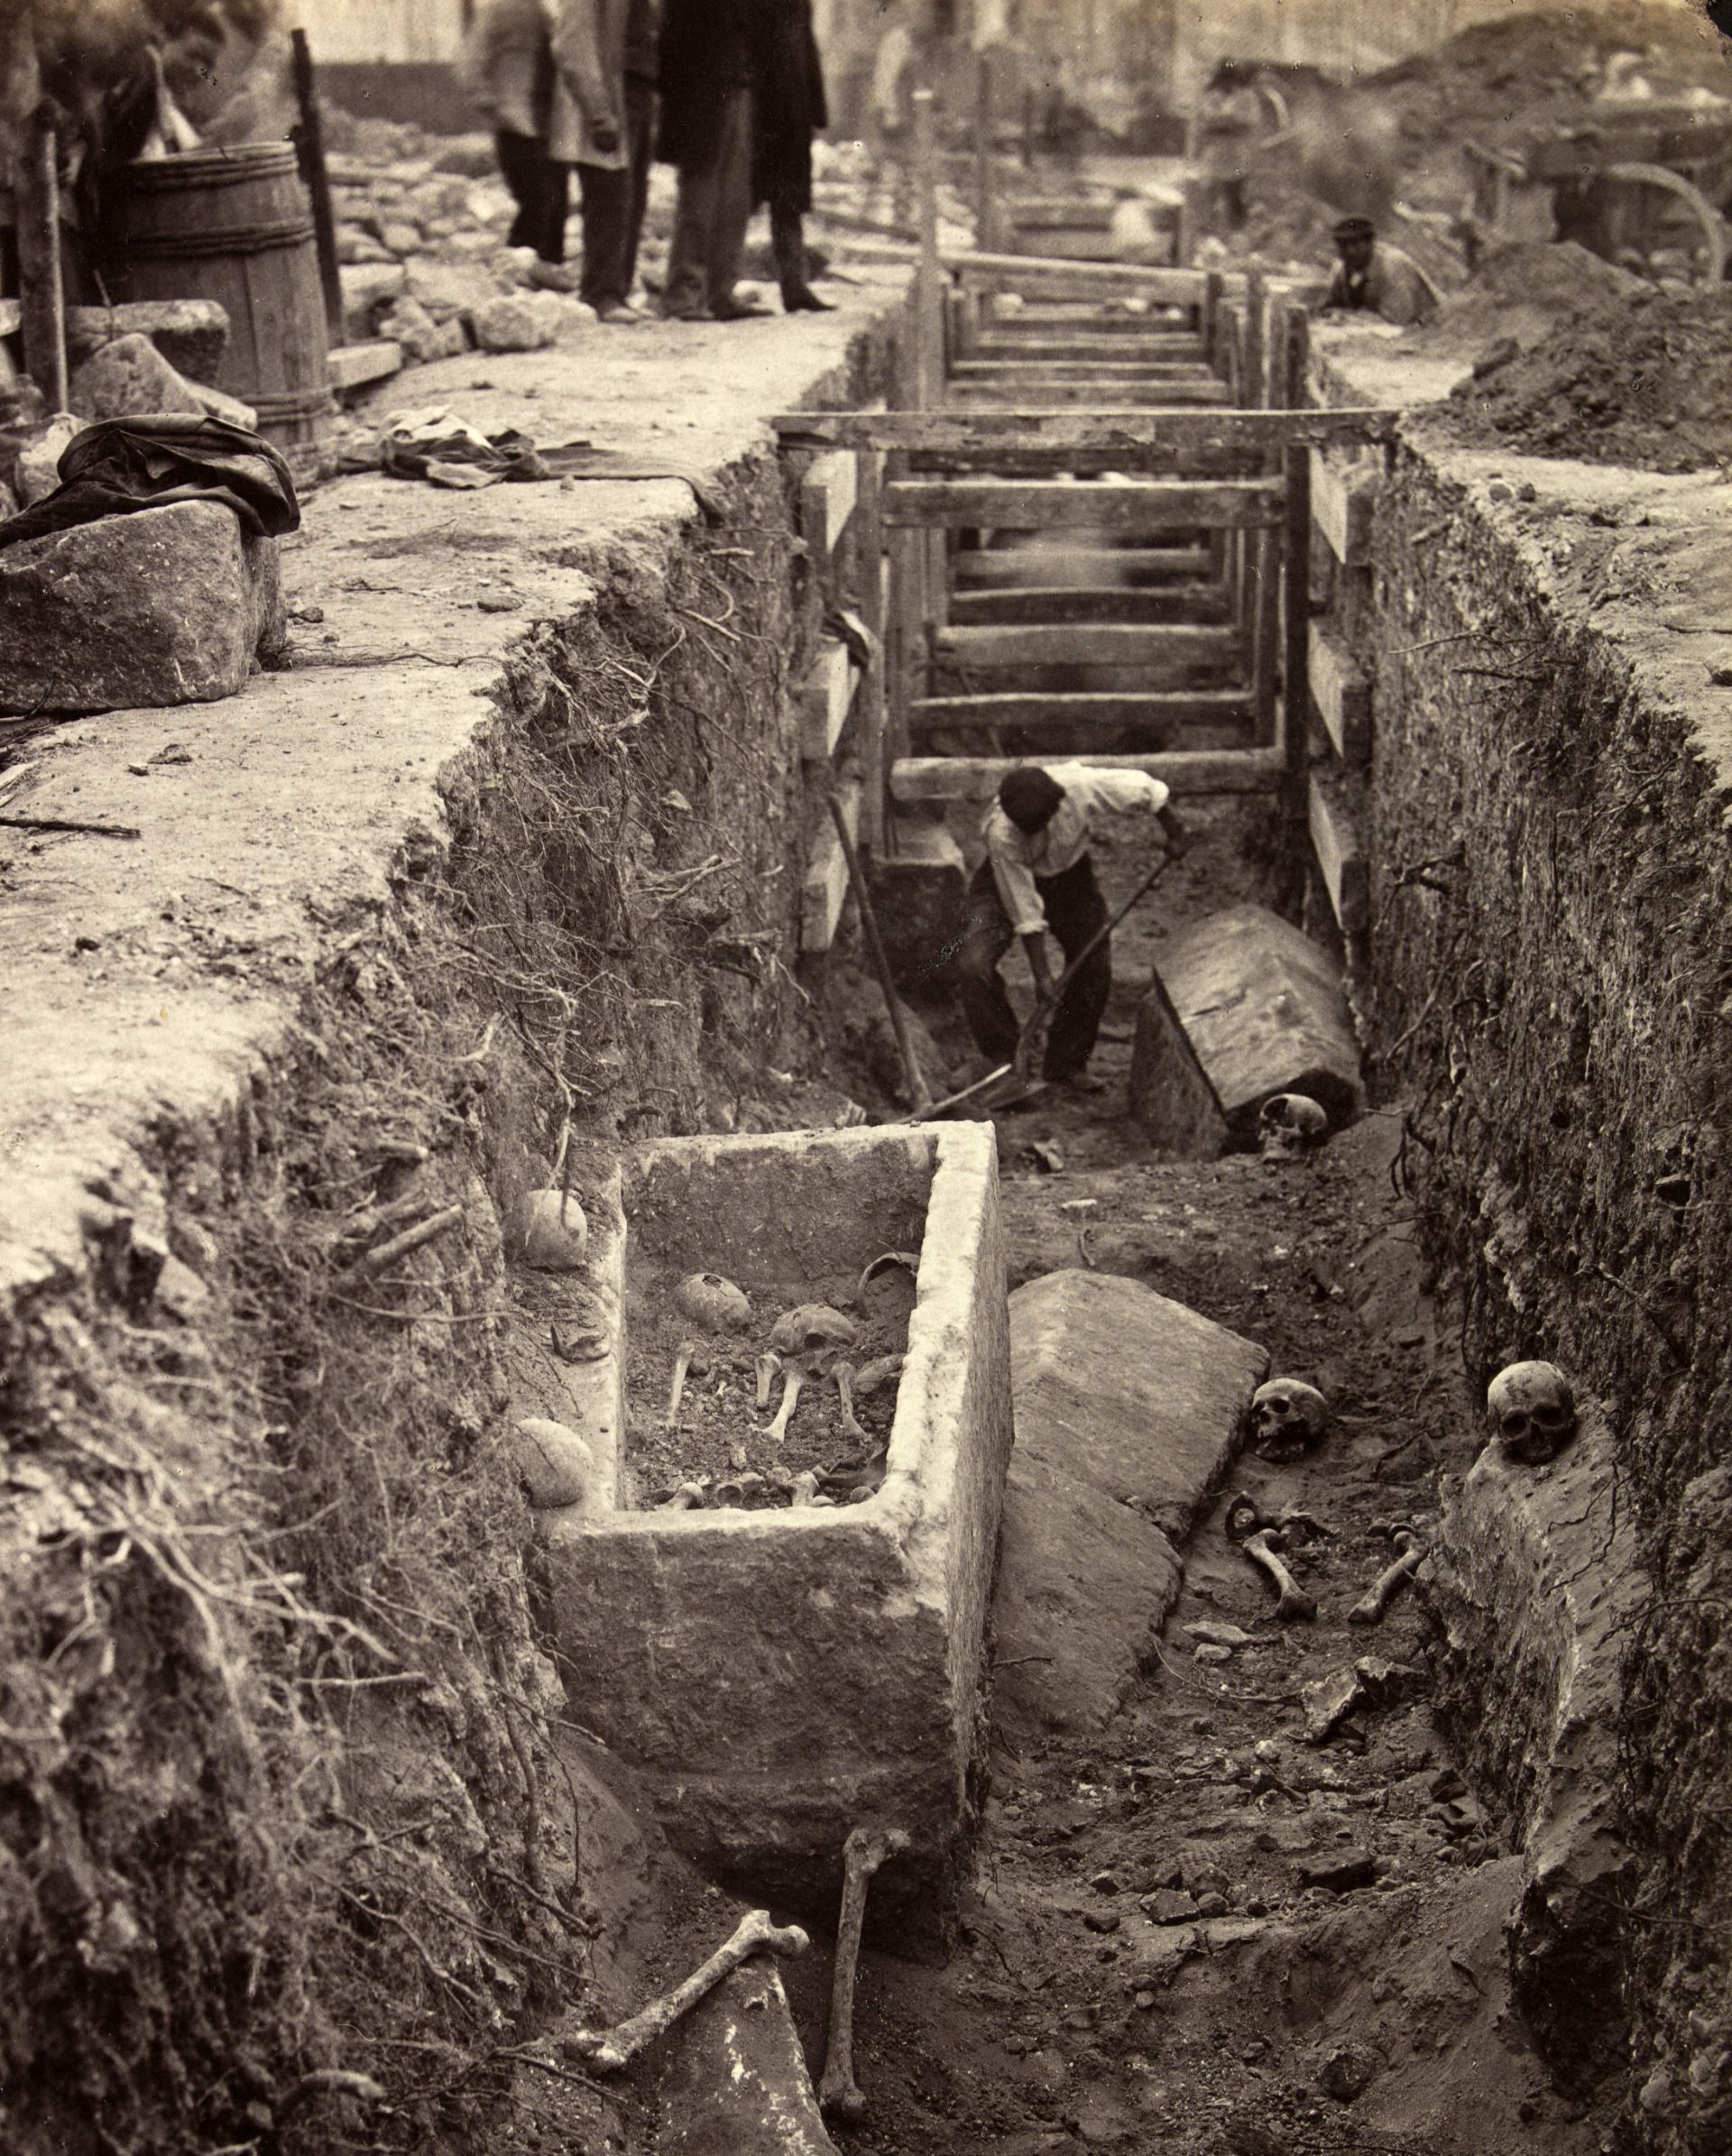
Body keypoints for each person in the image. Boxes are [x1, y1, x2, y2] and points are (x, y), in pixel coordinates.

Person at [955, 763, 1186, 1090]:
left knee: (1094, 963)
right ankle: (1003, 1059)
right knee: (973, 964)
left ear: (1054, 807)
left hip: (1071, 879)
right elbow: (1024, 908)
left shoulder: (1080, 786)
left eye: (1037, 826)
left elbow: (1144, 790)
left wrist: (1175, 830)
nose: (1030, 834)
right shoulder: (1001, 834)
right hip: (1001, 883)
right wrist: (1042, 975)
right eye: (1024, 828)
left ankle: (1066, 1062)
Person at [552, 0, 659, 323]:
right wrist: (598, 112)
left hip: (636, 94)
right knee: (609, 197)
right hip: (607, 102)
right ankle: (601, 294)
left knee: (631, 199)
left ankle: (618, 292)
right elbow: (572, 46)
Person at [460, 0, 578, 290]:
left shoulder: (545, 13)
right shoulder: (499, 10)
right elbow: (469, 65)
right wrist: (492, 105)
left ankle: (549, 278)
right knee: (539, 200)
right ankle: (515, 275)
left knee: (557, 202)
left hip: (549, 126)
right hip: (517, 124)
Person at [655, 0, 760, 320]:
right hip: (702, 96)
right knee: (700, 199)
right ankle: (683, 294)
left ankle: (720, 293)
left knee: (735, 201)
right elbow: (673, 43)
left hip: (739, 88)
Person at [754, 0, 832, 313]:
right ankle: (716, 287)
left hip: (793, 109)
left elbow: (808, 51)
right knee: (739, 201)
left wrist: (816, 111)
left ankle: (794, 286)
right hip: (761, 109)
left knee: (791, 203)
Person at [1320, 215, 1440, 327]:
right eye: (1344, 246)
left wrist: (1347, 316)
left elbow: (1396, 319)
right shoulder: (1342, 269)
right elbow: (1327, 308)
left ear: (1370, 243)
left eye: (1355, 244)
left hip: (1428, 331)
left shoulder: (1393, 265)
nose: (1350, 251)